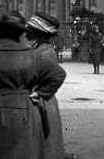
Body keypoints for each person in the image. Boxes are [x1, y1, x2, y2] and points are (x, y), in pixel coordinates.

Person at [0, 12, 66, 159]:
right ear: (20, 33)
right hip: (23, 108)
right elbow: (58, 74)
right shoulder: (31, 54)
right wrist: (40, 94)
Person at [26, 12, 67, 159]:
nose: (28, 33)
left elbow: (57, 75)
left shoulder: (44, 52)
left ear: (39, 33)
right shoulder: (42, 49)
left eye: (31, 31)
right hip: (45, 100)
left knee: (44, 142)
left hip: (41, 100)